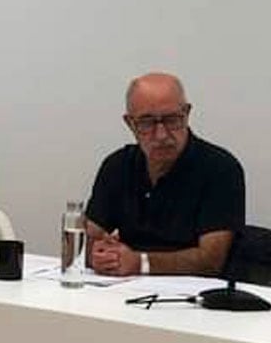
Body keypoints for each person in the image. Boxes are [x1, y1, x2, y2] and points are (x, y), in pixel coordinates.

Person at [83, 72, 245, 277]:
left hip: (192, 296)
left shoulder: (220, 168)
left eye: (171, 120)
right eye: (147, 123)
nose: (161, 135)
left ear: (187, 113)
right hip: (121, 291)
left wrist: (141, 263)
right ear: (130, 123)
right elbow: (89, 240)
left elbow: (211, 260)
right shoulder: (117, 166)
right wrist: (100, 255)